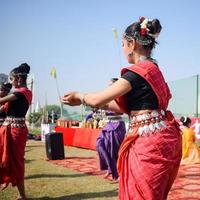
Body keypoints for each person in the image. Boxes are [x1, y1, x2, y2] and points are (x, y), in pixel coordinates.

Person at [61, 17, 182, 200]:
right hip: (158, 137)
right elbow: (119, 105)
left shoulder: (137, 73)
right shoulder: (153, 70)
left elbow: (97, 99)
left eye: (123, 44)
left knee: (143, 194)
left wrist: (81, 96)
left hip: (148, 141)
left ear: (132, 43)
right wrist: (85, 100)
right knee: (151, 193)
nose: (123, 48)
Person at [0, 63, 32, 200]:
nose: (11, 83)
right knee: (4, 158)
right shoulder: (16, 94)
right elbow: (2, 108)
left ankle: (22, 195)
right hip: (8, 129)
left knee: (17, 162)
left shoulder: (23, 93)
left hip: (16, 131)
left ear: (19, 79)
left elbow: (1, 101)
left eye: (12, 79)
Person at [96, 78, 126, 181]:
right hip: (108, 125)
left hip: (117, 125)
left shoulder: (120, 97)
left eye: (111, 85)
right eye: (108, 85)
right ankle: (110, 169)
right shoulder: (107, 98)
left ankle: (118, 174)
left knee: (114, 151)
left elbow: (121, 111)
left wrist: (106, 106)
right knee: (99, 144)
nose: (109, 87)